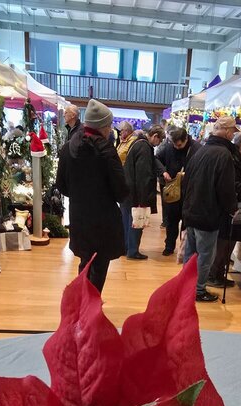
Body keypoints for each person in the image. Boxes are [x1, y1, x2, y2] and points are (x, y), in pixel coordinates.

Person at [56, 99, 128, 293]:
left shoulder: (68, 148)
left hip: (79, 216)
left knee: (85, 262)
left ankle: (82, 301)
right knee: (100, 265)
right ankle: (90, 304)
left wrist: (79, 195)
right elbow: (121, 191)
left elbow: (61, 185)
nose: (110, 129)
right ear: (103, 127)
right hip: (103, 220)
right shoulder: (106, 150)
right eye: (109, 125)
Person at [182, 116, 238, 303]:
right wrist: (231, 208)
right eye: (232, 131)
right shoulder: (224, 154)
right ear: (227, 131)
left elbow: (186, 180)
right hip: (208, 213)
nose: (233, 135)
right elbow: (225, 187)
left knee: (191, 254)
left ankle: (185, 287)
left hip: (192, 210)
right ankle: (198, 290)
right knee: (205, 255)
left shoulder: (200, 150)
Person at [208, 128, 241, 288]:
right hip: (230, 208)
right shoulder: (231, 159)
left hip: (240, 206)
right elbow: (231, 185)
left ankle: (220, 273)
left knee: (231, 241)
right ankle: (212, 275)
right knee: (224, 241)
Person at [121, 125, 165, 260]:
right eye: (160, 140)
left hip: (127, 190)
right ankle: (133, 250)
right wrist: (143, 198)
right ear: (155, 136)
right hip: (136, 192)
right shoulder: (145, 148)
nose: (159, 143)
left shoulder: (136, 142)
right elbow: (143, 175)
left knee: (126, 221)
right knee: (137, 221)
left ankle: (126, 247)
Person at [156, 127, 202, 256]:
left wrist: (189, 174)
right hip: (172, 191)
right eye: (174, 145)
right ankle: (169, 246)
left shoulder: (197, 149)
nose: (176, 147)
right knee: (171, 220)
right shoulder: (169, 147)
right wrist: (163, 171)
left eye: (179, 145)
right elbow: (156, 158)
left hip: (190, 192)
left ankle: (184, 249)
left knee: (187, 223)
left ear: (186, 139)